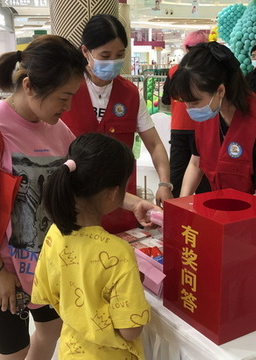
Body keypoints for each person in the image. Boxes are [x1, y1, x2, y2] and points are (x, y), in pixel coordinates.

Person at [0, 35, 159, 360]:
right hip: (1, 269)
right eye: (64, 97)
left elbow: (86, 180)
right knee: (12, 349)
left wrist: (133, 203)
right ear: (30, 86)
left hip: (47, 262)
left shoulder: (56, 129)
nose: (68, 107)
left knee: (49, 330)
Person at [32, 132, 151, 360]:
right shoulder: (118, 252)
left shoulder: (55, 234)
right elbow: (131, 330)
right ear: (113, 193)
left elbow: (46, 294)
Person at [169, 42, 256, 250]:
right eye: (185, 103)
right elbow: (196, 162)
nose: (189, 109)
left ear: (220, 90)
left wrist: (227, 233)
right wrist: (183, 208)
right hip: (230, 218)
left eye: (194, 103)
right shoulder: (209, 115)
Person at [61, 14, 173, 234]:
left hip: (120, 201)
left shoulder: (130, 94)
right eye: (105, 55)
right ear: (85, 52)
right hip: (76, 202)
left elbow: (154, 144)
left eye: (120, 55)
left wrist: (164, 183)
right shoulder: (68, 89)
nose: (113, 62)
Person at [161, 30, 211, 198]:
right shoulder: (208, 73)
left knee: (177, 173)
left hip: (180, 127)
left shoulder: (174, 71)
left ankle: (174, 208)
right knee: (204, 175)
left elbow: (166, 99)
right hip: (203, 127)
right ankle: (203, 208)